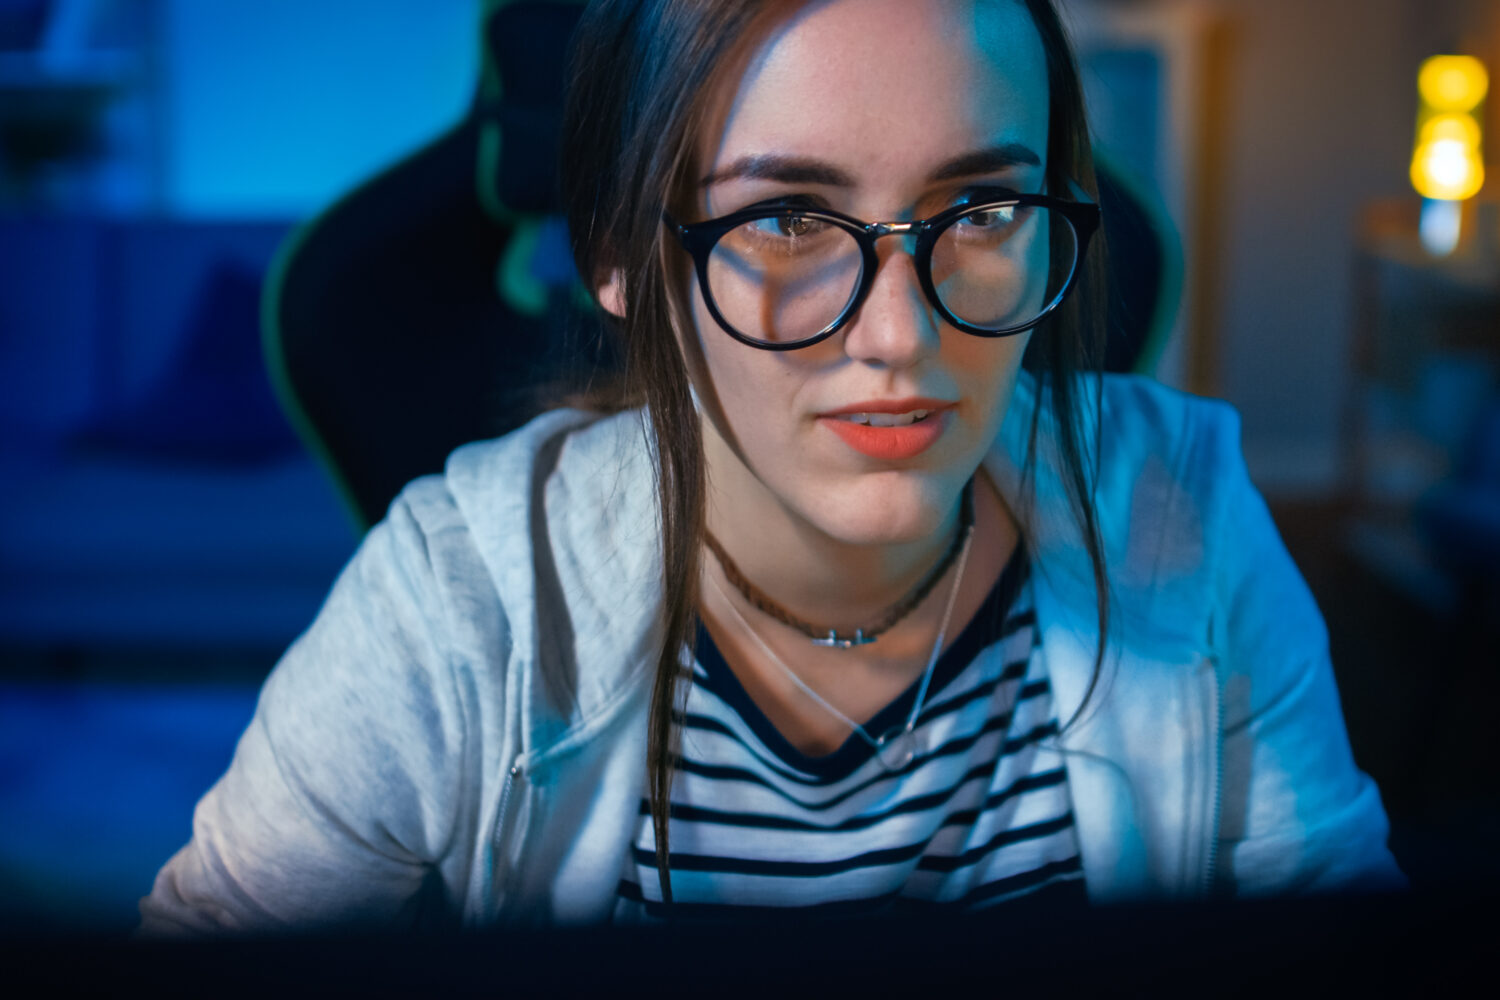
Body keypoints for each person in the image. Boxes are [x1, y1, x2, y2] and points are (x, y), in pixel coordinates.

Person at [138, 0, 1406, 935]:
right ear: (622, 259)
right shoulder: (454, 597)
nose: (901, 337)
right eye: (788, 220)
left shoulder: (1183, 514)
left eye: (980, 214)